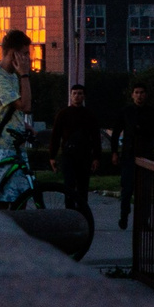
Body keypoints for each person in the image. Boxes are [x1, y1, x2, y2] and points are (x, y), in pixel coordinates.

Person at [0, 31, 38, 204]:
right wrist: (25, 75)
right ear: (13, 54)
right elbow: (25, 106)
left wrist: (23, 125)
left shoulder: (11, 76)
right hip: (2, 146)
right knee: (4, 199)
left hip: (14, 144)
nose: (28, 58)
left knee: (22, 196)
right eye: (25, 53)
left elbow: (8, 109)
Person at [48, 81, 104, 217]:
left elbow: (96, 137)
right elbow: (55, 136)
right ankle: (70, 214)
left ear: (84, 96)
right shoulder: (63, 114)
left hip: (84, 155)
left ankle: (82, 214)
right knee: (69, 186)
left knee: (83, 187)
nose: (77, 96)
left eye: (80, 94)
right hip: (68, 155)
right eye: (74, 94)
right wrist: (52, 156)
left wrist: (96, 157)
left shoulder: (89, 115)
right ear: (71, 95)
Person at [116, 82, 154, 233]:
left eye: (142, 92)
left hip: (146, 155)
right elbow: (116, 131)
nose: (139, 95)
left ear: (146, 95)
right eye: (137, 92)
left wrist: (142, 129)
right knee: (127, 189)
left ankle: (143, 220)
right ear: (132, 95)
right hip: (129, 155)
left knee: (145, 191)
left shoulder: (151, 112)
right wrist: (114, 152)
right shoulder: (126, 111)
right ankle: (124, 215)